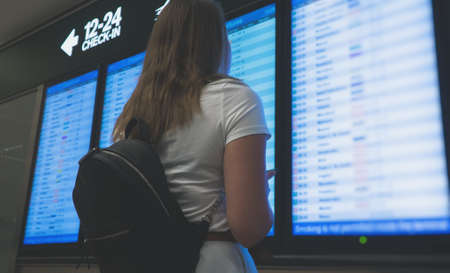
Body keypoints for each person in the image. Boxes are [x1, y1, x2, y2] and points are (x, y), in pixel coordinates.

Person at [113, 0, 274, 272]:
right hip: (213, 261)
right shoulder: (234, 99)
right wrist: (261, 190)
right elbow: (249, 227)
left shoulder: (128, 118)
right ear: (217, 41)